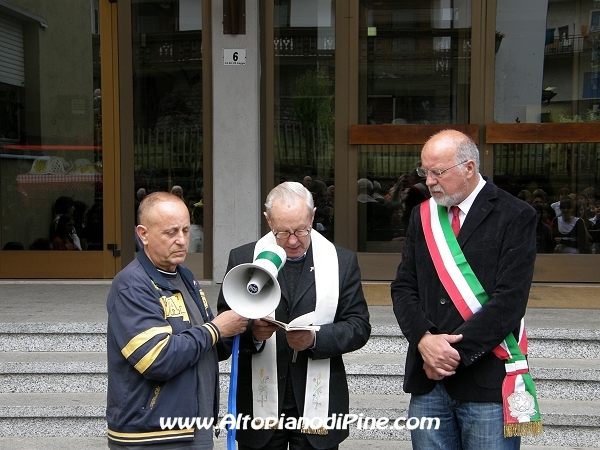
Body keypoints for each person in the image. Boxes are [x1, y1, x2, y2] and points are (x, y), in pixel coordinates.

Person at [391, 130, 541, 450]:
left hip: (485, 381)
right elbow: (404, 287)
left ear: (469, 168)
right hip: (428, 381)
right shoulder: (422, 215)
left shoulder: (516, 215)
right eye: (425, 171)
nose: (428, 181)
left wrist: (450, 354)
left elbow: (510, 302)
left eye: (437, 172)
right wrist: (424, 340)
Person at [217, 181, 371, 450]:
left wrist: (314, 339)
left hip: (318, 407)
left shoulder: (341, 261)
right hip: (258, 407)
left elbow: (358, 326)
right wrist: (252, 333)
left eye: (301, 229)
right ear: (268, 221)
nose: (292, 240)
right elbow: (225, 323)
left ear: (312, 217)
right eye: (282, 231)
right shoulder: (243, 259)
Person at [106, 192, 248, 448]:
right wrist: (216, 329)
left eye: (186, 229)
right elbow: (156, 359)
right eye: (171, 232)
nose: (182, 240)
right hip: (152, 437)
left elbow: (208, 347)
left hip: (193, 430)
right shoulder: (131, 285)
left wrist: (249, 331)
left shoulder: (184, 276)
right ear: (143, 234)